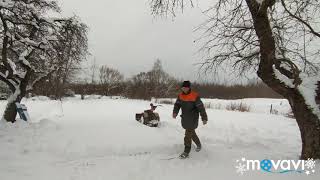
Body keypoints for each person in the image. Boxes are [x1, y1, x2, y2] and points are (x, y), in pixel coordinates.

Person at [172, 81, 208, 159]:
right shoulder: (180, 96)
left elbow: (201, 107)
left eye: (186, 87)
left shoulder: (195, 96)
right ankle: (198, 144)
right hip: (185, 118)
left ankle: (186, 151)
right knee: (192, 133)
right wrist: (175, 112)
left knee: (188, 135)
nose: (184, 89)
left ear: (189, 87)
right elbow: (177, 105)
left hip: (193, 118)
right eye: (183, 87)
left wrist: (204, 118)